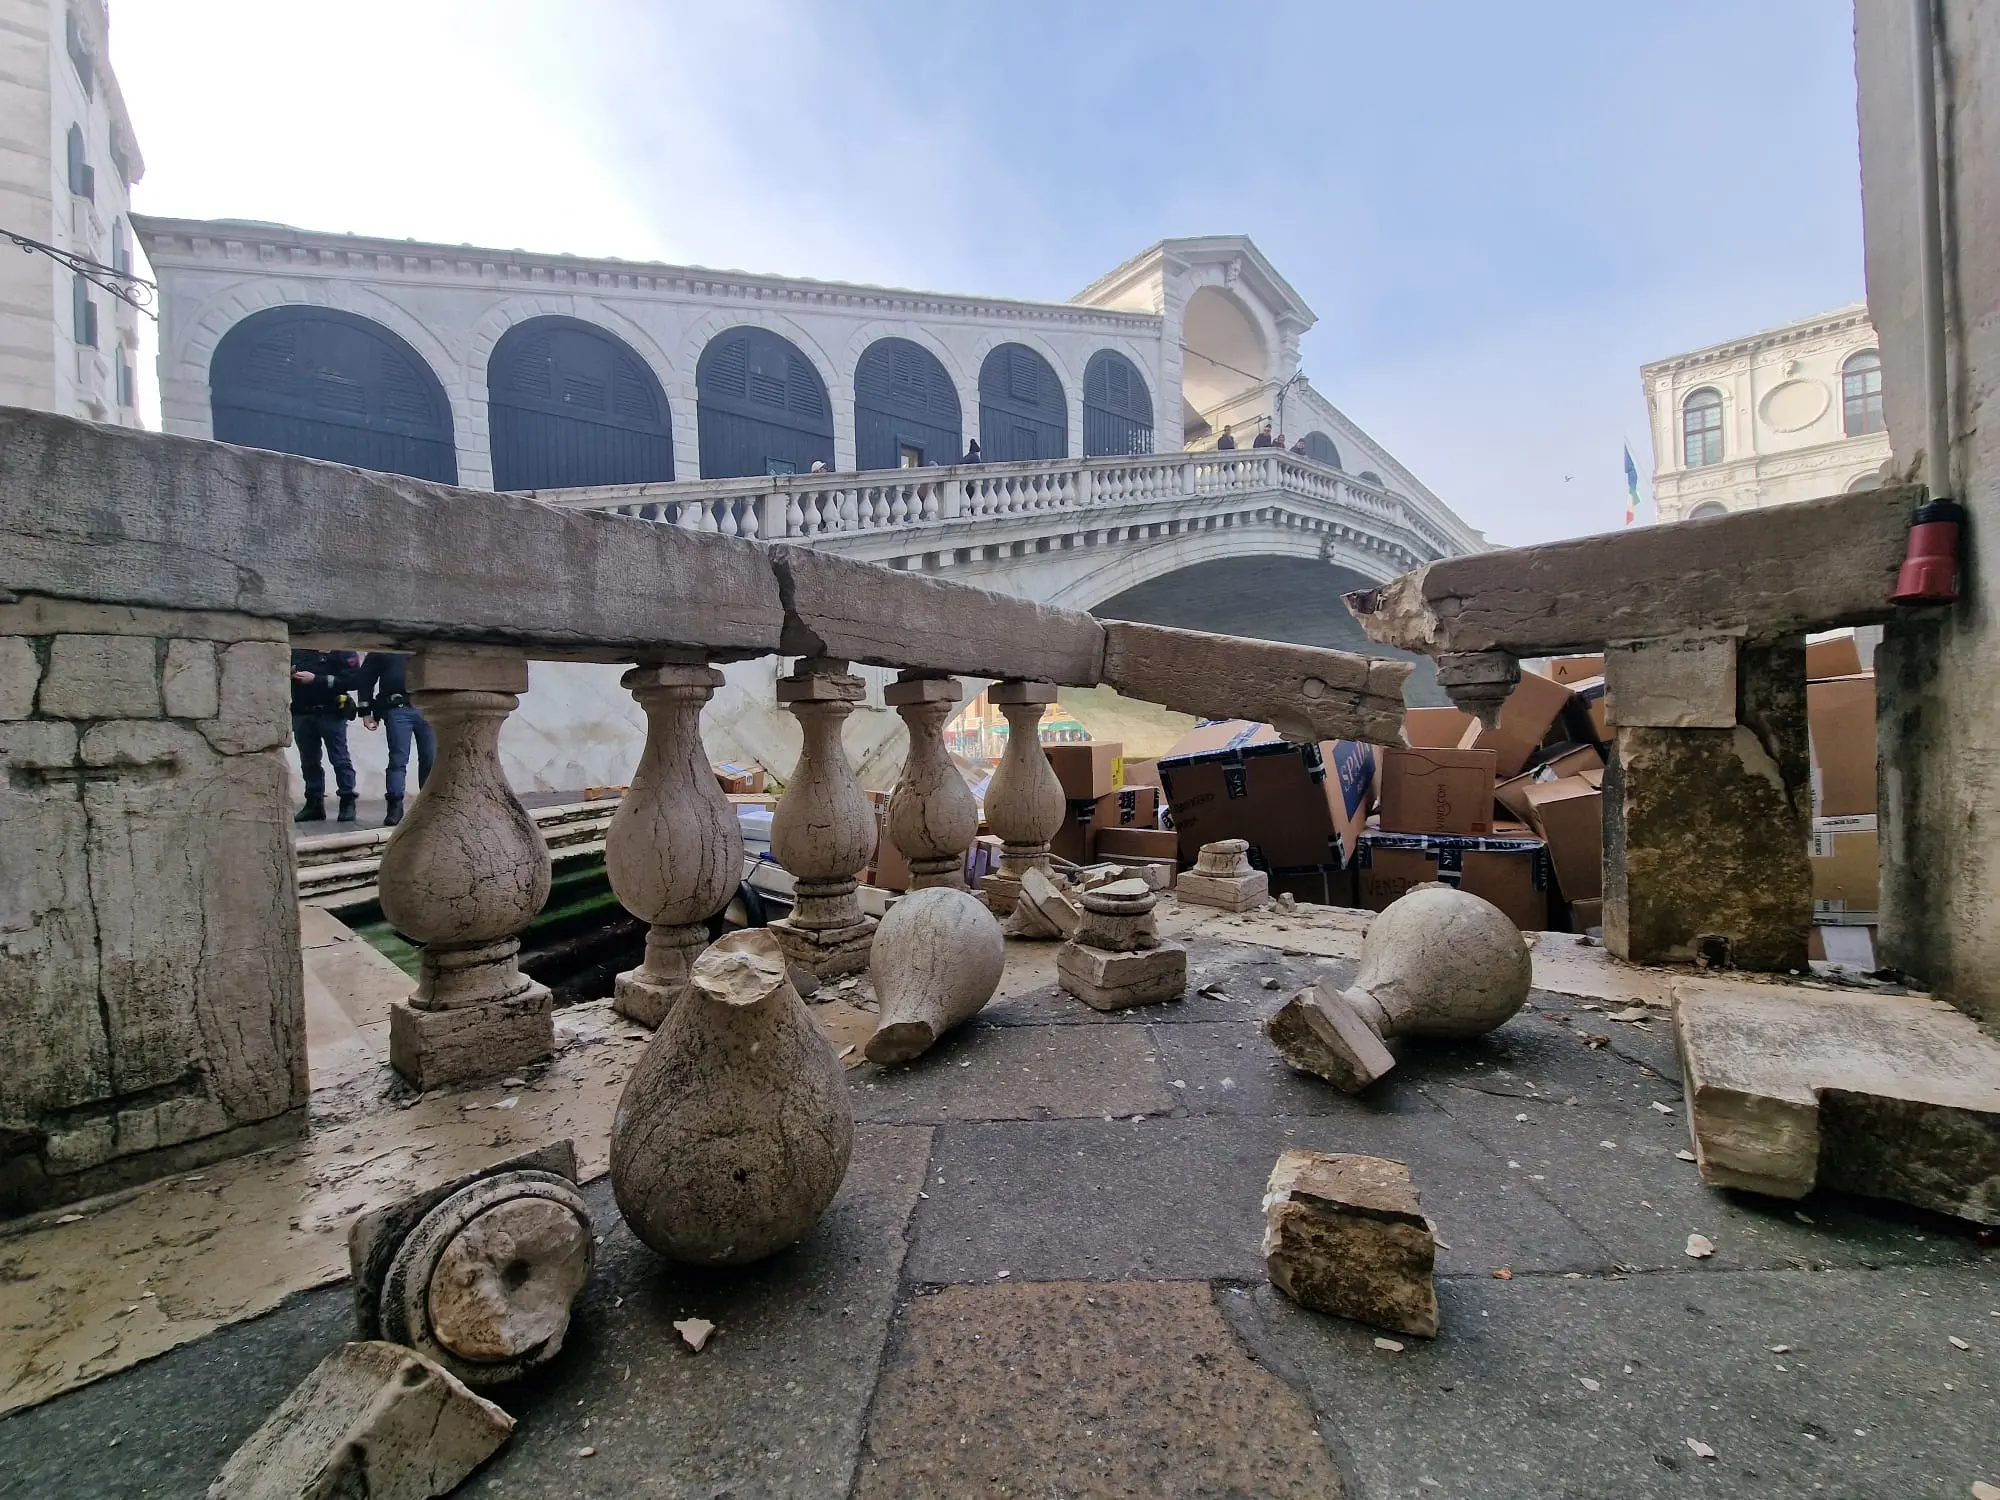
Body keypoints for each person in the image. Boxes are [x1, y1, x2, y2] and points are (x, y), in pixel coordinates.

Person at [355, 651, 436, 827]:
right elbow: (366, 678)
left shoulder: (425, 642)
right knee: (398, 760)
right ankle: (395, 806)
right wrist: (365, 712)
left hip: (427, 707)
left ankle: (429, 806)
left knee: (431, 759)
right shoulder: (384, 646)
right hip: (397, 708)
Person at [290, 648, 361, 823]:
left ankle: (347, 802)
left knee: (340, 759)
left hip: (331, 713)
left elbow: (353, 680)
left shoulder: (341, 648)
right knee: (309, 761)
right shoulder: (297, 649)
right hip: (302, 712)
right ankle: (314, 804)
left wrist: (316, 680)